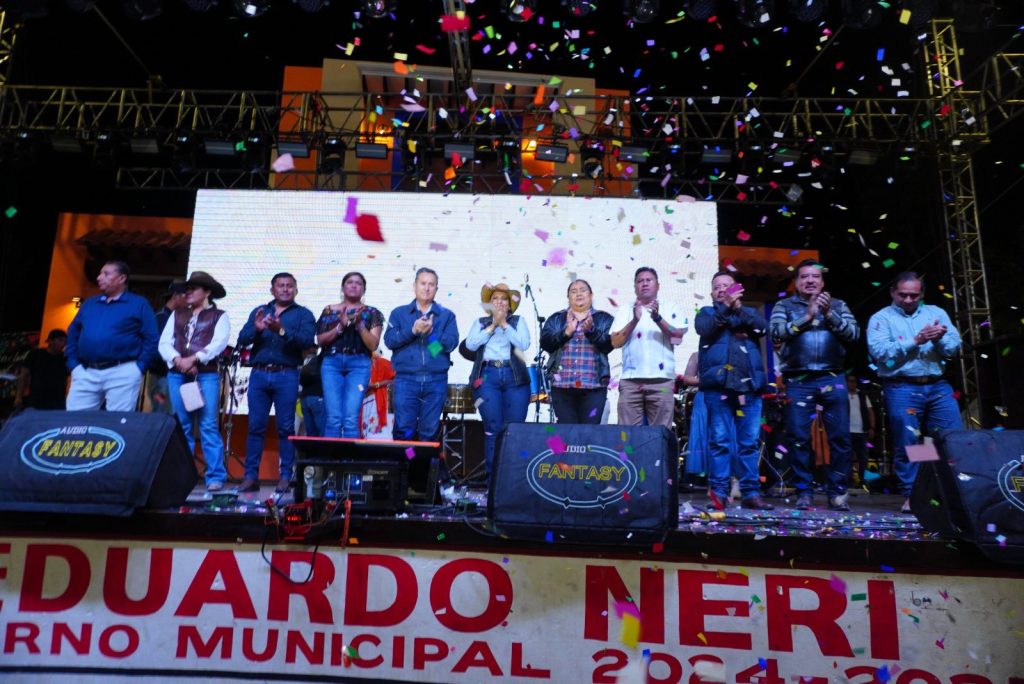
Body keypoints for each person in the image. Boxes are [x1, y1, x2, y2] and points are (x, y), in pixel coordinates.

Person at [867, 271, 963, 513]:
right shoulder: (881, 318)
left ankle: (950, 494)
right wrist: (916, 341)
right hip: (902, 386)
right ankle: (914, 495)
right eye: (903, 295)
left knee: (951, 438)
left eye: (914, 295)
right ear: (893, 292)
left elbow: (954, 349)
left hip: (937, 385)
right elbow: (881, 354)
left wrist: (940, 339)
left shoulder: (936, 313)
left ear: (922, 294)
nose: (908, 300)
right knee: (910, 442)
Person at [770, 259, 859, 511]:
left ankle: (837, 492)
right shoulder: (784, 305)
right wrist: (807, 317)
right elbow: (775, 333)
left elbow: (854, 335)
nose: (810, 280)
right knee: (798, 438)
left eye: (815, 277)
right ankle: (804, 491)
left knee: (840, 438)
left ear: (822, 281)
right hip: (798, 380)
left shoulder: (838, 305)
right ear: (796, 282)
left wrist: (828, 314)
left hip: (833, 377)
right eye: (804, 277)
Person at [696, 272, 773, 510]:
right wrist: (727, 308)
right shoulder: (706, 313)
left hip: (749, 388)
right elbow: (705, 329)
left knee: (749, 442)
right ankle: (719, 493)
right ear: (711, 293)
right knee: (719, 441)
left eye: (726, 286)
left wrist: (737, 308)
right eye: (717, 287)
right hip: (718, 387)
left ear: (737, 290)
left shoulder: (748, 313)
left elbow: (763, 329)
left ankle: (751, 493)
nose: (721, 290)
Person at [236, 272, 316, 494]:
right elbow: (242, 339)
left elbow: (307, 341)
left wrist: (280, 330)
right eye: (280, 285)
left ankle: (285, 477)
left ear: (296, 290)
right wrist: (257, 328)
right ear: (272, 290)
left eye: (290, 285)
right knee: (255, 426)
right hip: (259, 374)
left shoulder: (303, 314)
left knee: (285, 428)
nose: (285, 289)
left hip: (287, 374)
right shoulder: (260, 311)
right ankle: (250, 476)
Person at [158, 271, 231, 492]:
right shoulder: (177, 314)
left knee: (208, 424)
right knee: (182, 426)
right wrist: (177, 359)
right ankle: (183, 476)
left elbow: (218, 343)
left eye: (194, 288)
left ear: (207, 292)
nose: (188, 292)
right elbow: (164, 343)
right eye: (187, 289)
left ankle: (215, 476)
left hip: (205, 375)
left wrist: (195, 358)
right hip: (178, 375)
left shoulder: (219, 316)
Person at [65, 261, 159, 412]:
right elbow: (73, 332)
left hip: (123, 371)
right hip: (86, 371)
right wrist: (74, 364)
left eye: (106, 274)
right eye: (100, 273)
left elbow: (152, 338)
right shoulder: (90, 303)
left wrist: (139, 368)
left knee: (117, 422)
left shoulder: (138, 304)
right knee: (75, 420)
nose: (99, 277)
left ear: (121, 278)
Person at [384, 267, 459, 442]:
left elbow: (450, 344)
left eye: (431, 284)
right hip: (406, 380)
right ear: (414, 286)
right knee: (404, 431)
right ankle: (407, 460)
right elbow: (390, 341)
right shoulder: (399, 313)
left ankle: (423, 462)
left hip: (436, 380)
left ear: (436, 289)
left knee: (429, 432)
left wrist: (431, 333)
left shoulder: (446, 316)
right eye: (423, 283)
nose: (427, 288)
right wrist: (412, 331)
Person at [465, 282, 532, 477]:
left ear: (510, 305)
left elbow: (523, 344)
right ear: (489, 304)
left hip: (515, 377)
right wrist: (493, 325)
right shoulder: (480, 322)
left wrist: (504, 325)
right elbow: (470, 345)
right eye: (495, 298)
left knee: (514, 429)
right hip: (487, 376)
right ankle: (492, 481)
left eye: (504, 299)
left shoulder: (518, 321)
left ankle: (513, 480)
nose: (499, 302)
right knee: (492, 428)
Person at [611, 267, 686, 427]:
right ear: (635, 287)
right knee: (627, 435)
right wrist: (634, 320)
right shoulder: (625, 310)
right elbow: (615, 342)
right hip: (631, 382)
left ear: (658, 285)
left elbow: (677, 338)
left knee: (660, 434)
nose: (644, 284)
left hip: (662, 381)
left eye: (648, 280)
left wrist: (658, 318)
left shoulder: (671, 307)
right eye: (640, 281)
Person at [315, 272, 385, 438]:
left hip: (359, 365)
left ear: (364, 289)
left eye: (358, 283)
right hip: (332, 364)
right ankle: (331, 456)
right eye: (350, 282)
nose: (354, 285)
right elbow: (320, 340)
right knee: (333, 418)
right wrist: (340, 326)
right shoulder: (329, 310)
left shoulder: (372, 312)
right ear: (342, 287)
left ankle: (349, 456)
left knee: (351, 419)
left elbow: (373, 345)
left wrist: (359, 325)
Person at [540, 279, 614, 424]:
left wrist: (591, 332)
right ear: (568, 297)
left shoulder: (604, 318)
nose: (578, 294)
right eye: (573, 291)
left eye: (583, 290)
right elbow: (546, 344)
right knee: (567, 433)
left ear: (591, 295)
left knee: (589, 432)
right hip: (562, 387)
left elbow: (609, 345)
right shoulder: (556, 318)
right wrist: (566, 332)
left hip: (594, 387)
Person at [148, 281, 189, 414]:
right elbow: (157, 349)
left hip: (168, 375)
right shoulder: (161, 318)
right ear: (176, 295)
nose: (189, 300)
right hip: (161, 376)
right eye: (186, 295)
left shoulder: (172, 316)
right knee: (163, 415)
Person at [15, 329, 69, 411]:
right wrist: (18, 397)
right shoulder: (35, 354)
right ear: (50, 340)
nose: (63, 344)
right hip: (36, 400)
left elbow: (69, 379)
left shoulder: (65, 358)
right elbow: (23, 376)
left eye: (65, 341)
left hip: (58, 402)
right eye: (60, 340)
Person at [846, 374, 876, 486]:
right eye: (850, 381)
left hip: (862, 431)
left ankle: (864, 481)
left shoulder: (862, 395)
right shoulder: (843, 395)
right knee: (847, 457)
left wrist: (872, 427)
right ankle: (848, 481)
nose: (852, 383)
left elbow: (870, 411)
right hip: (846, 431)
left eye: (854, 381)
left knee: (863, 457)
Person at [299, 348, 325, 437]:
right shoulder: (327, 360)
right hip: (319, 396)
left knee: (311, 435)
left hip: (305, 399)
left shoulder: (309, 361)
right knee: (323, 434)